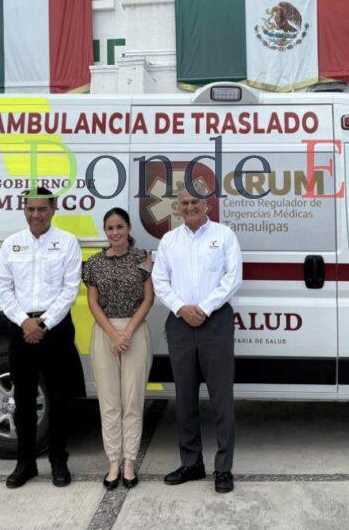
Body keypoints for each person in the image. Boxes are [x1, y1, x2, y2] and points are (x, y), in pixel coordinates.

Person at [151, 186, 242, 494]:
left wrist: (203, 308)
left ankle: (223, 469)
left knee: (221, 399)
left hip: (214, 321)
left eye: (195, 202)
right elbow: (159, 280)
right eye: (184, 203)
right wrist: (181, 308)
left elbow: (233, 278)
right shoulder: (169, 241)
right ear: (178, 208)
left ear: (206, 206)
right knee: (185, 398)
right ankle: (191, 463)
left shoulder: (224, 235)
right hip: (179, 323)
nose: (189, 207)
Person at [0, 187, 82, 489]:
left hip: (55, 329)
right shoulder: (11, 244)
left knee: (59, 399)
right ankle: (25, 464)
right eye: (30, 209)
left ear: (53, 208)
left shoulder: (67, 243)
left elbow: (70, 289)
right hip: (21, 330)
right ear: (24, 210)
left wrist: (43, 323)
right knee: (23, 400)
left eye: (41, 209)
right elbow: (3, 287)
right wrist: (24, 322)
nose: (36, 215)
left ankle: (59, 462)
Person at [83, 207, 155, 490]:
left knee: (133, 400)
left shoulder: (142, 259)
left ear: (128, 229)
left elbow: (148, 300)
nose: (115, 232)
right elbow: (93, 303)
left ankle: (129, 462)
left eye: (120, 227)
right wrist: (113, 334)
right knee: (110, 402)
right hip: (105, 333)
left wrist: (126, 333)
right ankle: (113, 460)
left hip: (135, 331)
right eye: (110, 228)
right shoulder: (93, 263)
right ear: (105, 232)